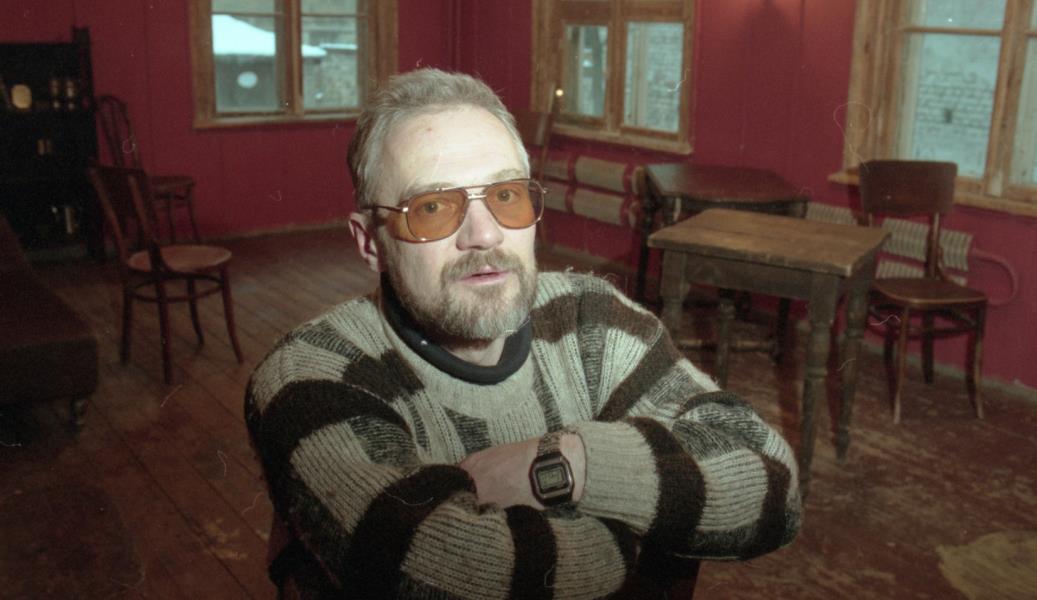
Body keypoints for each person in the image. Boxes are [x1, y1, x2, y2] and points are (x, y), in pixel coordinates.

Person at [246, 68, 801, 599]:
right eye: (433, 207)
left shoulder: (591, 319)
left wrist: (564, 464)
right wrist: (644, 520)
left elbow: (773, 480)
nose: (485, 235)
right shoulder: (313, 372)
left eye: (506, 196)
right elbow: (453, 572)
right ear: (371, 243)